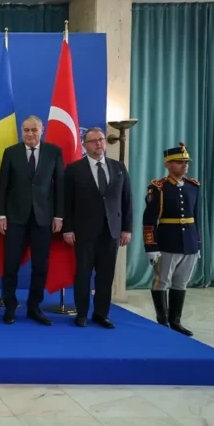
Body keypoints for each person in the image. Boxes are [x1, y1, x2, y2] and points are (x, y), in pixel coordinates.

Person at [61, 127, 133, 329]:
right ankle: (82, 314)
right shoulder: (74, 169)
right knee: (83, 275)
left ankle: (101, 314)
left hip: (111, 232)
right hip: (84, 232)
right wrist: (68, 229)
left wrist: (127, 229)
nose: (99, 143)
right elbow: (67, 202)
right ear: (85, 145)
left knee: (106, 276)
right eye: (93, 141)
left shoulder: (118, 167)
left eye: (101, 139)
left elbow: (127, 200)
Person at [0, 115, 64, 326]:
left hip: (43, 219)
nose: (30, 134)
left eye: (34, 129)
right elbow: (3, 187)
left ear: (42, 130)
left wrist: (58, 215)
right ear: (21, 131)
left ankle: (34, 307)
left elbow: (59, 186)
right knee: (10, 265)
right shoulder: (11, 152)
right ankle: (9, 306)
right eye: (26, 130)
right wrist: (1, 215)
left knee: (40, 267)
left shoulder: (54, 152)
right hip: (15, 218)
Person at [142, 142, 199, 336]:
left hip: (189, 242)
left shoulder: (193, 186)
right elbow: (149, 220)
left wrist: (198, 243)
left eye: (186, 162)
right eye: (179, 162)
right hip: (168, 241)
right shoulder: (158, 188)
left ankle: (176, 321)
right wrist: (151, 246)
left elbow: (196, 217)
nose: (184, 165)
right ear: (168, 164)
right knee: (162, 281)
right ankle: (163, 321)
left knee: (181, 282)